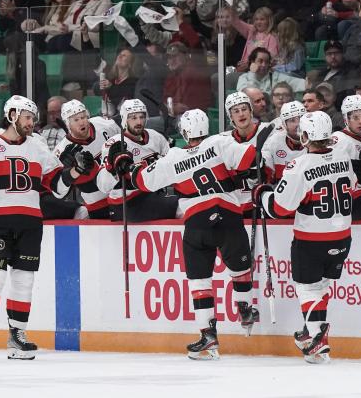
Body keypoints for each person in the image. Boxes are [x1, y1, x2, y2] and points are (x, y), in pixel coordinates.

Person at [0, 95, 90, 361]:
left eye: (33, 118)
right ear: (12, 115)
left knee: (24, 281)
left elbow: (57, 188)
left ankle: (17, 335)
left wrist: (75, 172)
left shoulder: (36, 146)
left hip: (30, 222)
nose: (32, 122)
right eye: (27, 117)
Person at [118, 109, 258, 359]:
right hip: (229, 215)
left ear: (184, 132)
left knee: (200, 280)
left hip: (197, 223)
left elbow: (143, 182)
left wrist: (128, 165)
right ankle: (245, 308)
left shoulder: (173, 156)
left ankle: (208, 336)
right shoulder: (220, 142)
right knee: (240, 270)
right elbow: (249, 157)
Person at [253, 111, 357, 364]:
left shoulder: (299, 166)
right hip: (342, 237)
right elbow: (352, 186)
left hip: (311, 239)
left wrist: (262, 194)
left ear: (306, 135)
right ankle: (312, 331)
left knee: (307, 288)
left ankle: (317, 336)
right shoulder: (344, 158)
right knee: (320, 286)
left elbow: (280, 209)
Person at [96, 99, 175, 222]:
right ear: (124, 119)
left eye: (141, 117)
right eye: (133, 118)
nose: (138, 122)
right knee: (180, 206)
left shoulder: (156, 137)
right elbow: (103, 186)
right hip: (127, 203)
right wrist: (112, 169)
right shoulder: (114, 144)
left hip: (152, 196)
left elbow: (172, 168)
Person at [53, 99, 120, 218]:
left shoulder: (103, 124)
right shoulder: (61, 152)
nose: (82, 122)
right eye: (76, 120)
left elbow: (127, 141)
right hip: (98, 205)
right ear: (68, 124)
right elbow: (57, 192)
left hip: (122, 193)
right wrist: (68, 173)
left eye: (83, 117)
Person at [222, 91, 273, 216]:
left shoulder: (269, 131)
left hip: (263, 205)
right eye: (236, 111)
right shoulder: (223, 140)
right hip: (236, 207)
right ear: (230, 117)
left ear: (250, 111)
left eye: (244, 109)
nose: (241, 114)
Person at [262, 101, 307, 183]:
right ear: (284, 125)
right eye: (292, 120)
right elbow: (267, 178)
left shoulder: (316, 141)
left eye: (301, 118)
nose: (298, 124)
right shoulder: (273, 142)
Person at [163, 42, 212, 115]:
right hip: (174, 116)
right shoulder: (172, 76)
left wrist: (171, 108)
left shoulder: (194, 74)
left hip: (193, 118)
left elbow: (186, 108)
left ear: (186, 56)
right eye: (169, 58)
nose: (172, 60)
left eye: (175, 56)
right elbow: (165, 101)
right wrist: (170, 108)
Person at [236, 47, 306, 96]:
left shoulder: (276, 77)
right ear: (252, 61)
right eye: (260, 61)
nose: (264, 65)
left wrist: (309, 83)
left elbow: (297, 83)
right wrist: (253, 74)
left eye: (266, 62)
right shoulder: (244, 78)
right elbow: (249, 94)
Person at [232, 6, 279, 72]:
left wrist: (249, 64)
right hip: (242, 69)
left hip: (258, 72)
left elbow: (271, 60)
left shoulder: (272, 37)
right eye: (256, 19)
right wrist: (231, 5)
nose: (258, 22)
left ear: (269, 21)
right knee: (222, 75)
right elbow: (235, 22)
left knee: (224, 78)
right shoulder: (252, 31)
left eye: (262, 19)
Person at [93, 48, 138, 114]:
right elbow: (96, 90)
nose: (119, 56)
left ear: (130, 64)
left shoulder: (133, 82)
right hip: (107, 117)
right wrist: (100, 85)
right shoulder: (111, 78)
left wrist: (111, 87)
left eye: (124, 56)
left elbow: (126, 92)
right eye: (119, 54)